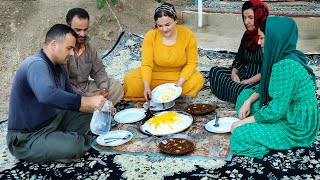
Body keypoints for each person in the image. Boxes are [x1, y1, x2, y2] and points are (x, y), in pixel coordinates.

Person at [6, 24, 107, 163]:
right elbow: (46, 94)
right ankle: (67, 145)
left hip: (55, 121)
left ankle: (59, 143)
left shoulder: (59, 67)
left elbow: (70, 96)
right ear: (54, 44)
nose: (72, 53)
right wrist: (85, 102)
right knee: (74, 145)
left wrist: (97, 105)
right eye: (69, 48)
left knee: (95, 114)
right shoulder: (35, 64)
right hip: (28, 137)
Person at [230, 16, 320, 158]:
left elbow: (275, 111)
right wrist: (248, 102)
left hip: (296, 124)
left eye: (262, 38)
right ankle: (257, 123)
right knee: (245, 97)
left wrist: (243, 123)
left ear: (275, 39)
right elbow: (265, 85)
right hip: (286, 108)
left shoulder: (285, 66)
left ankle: (260, 130)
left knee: (240, 135)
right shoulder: (285, 54)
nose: (258, 42)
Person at [123, 3, 204, 101]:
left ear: (175, 20)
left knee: (197, 80)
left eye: (167, 25)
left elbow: (191, 63)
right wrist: (147, 86)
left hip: (178, 74)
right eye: (160, 26)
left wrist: (179, 83)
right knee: (130, 80)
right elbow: (147, 64)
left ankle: (161, 93)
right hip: (155, 73)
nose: (164, 29)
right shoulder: (151, 36)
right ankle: (153, 92)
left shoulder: (188, 35)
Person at [208, 0, 269, 103]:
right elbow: (239, 58)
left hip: (258, 80)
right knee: (215, 72)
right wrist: (234, 73)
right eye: (244, 18)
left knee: (254, 90)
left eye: (250, 17)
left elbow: (267, 69)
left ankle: (243, 95)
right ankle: (239, 94)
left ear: (259, 16)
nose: (246, 22)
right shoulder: (247, 35)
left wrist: (247, 82)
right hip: (245, 74)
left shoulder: (267, 36)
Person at [65, 8, 123, 105]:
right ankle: (95, 107)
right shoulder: (63, 50)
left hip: (86, 87)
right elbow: (64, 85)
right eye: (78, 30)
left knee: (115, 85)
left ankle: (96, 107)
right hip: (71, 93)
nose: (83, 34)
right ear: (68, 27)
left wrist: (103, 88)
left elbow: (99, 71)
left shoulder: (89, 47)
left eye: (85, 29)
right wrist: (89, 96)